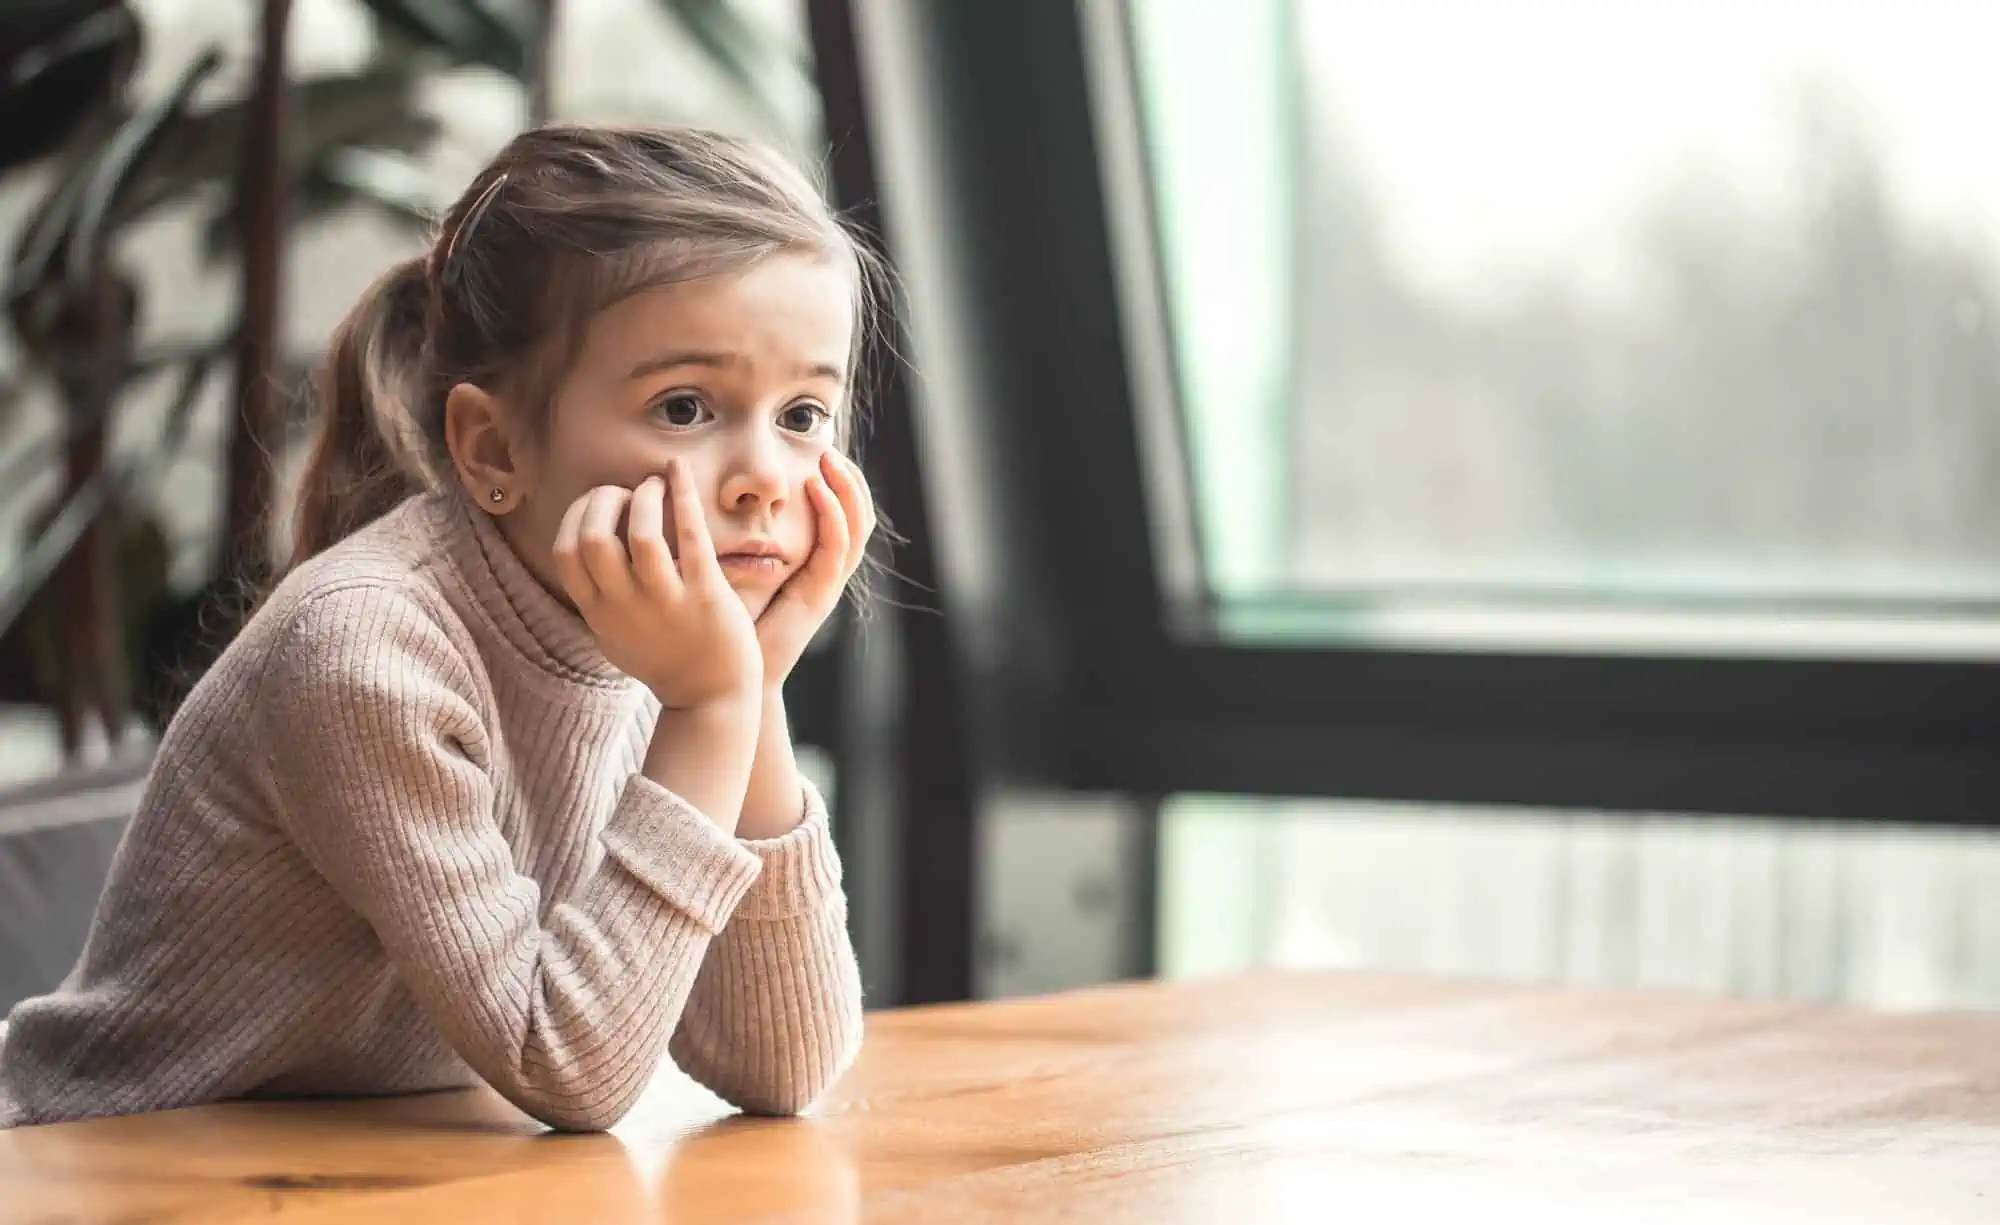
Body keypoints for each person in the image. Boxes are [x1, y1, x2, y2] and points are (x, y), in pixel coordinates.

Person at [0, 122, 878, 1131]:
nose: (768, 477)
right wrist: (715, 704)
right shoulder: (365, 652)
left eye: (804, 416)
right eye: (684, 407)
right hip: (105, 1164)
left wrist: (751, 687)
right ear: (491, 444)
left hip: (376, 1171)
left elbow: (784, 1063)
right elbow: (568, 1068)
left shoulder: (659, 641)